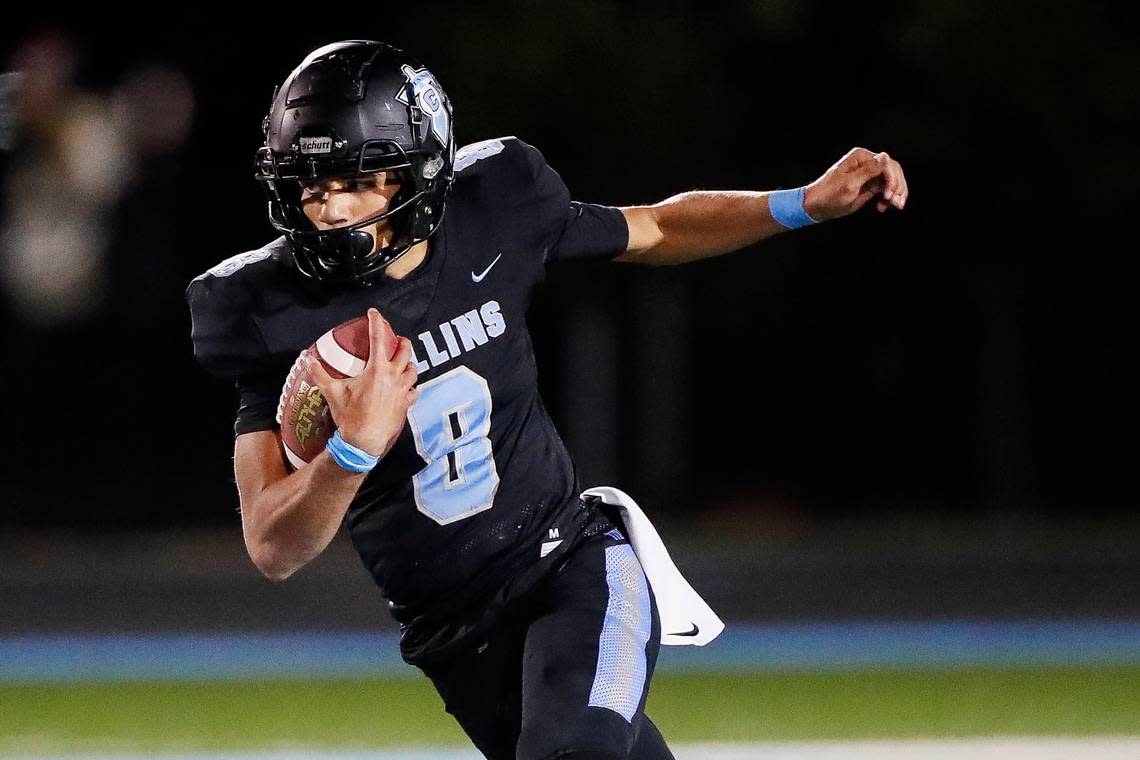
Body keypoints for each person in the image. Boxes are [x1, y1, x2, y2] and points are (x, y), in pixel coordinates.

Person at [185, 40, 907, 760]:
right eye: (310, 186)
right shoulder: (259, 309)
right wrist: (350, 453)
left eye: (355, 179)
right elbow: (273, 546)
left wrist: (802, 204)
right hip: (457, 639)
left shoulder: (497, 204)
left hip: (572, 566)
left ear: (419, 168)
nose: (330, 210)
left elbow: (656, 226)